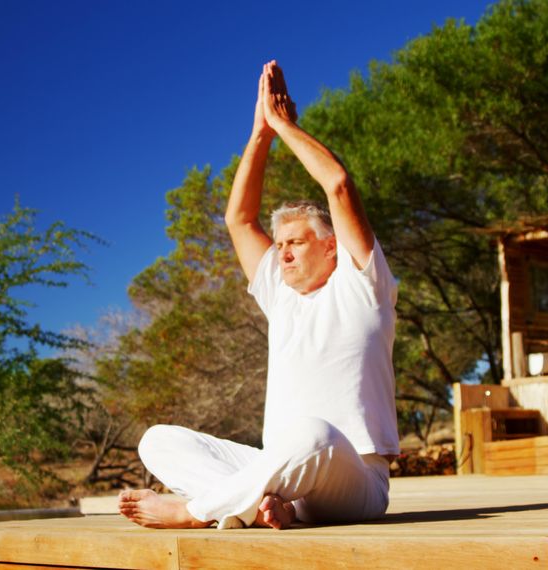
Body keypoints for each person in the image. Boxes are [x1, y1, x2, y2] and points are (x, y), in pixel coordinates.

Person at [118, 60, 399, 530]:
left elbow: (338, 185)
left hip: (353, 479)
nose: (282, 254)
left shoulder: (363, 285)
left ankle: (194, 512)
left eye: (296, 243)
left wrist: (285, 125)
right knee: (157, 440)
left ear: (332, 247)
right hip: (280, 473)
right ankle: (264, 507)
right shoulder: (280, 294)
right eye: (280, 245)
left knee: (312, 435)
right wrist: (260, 135)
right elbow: (239, 220)